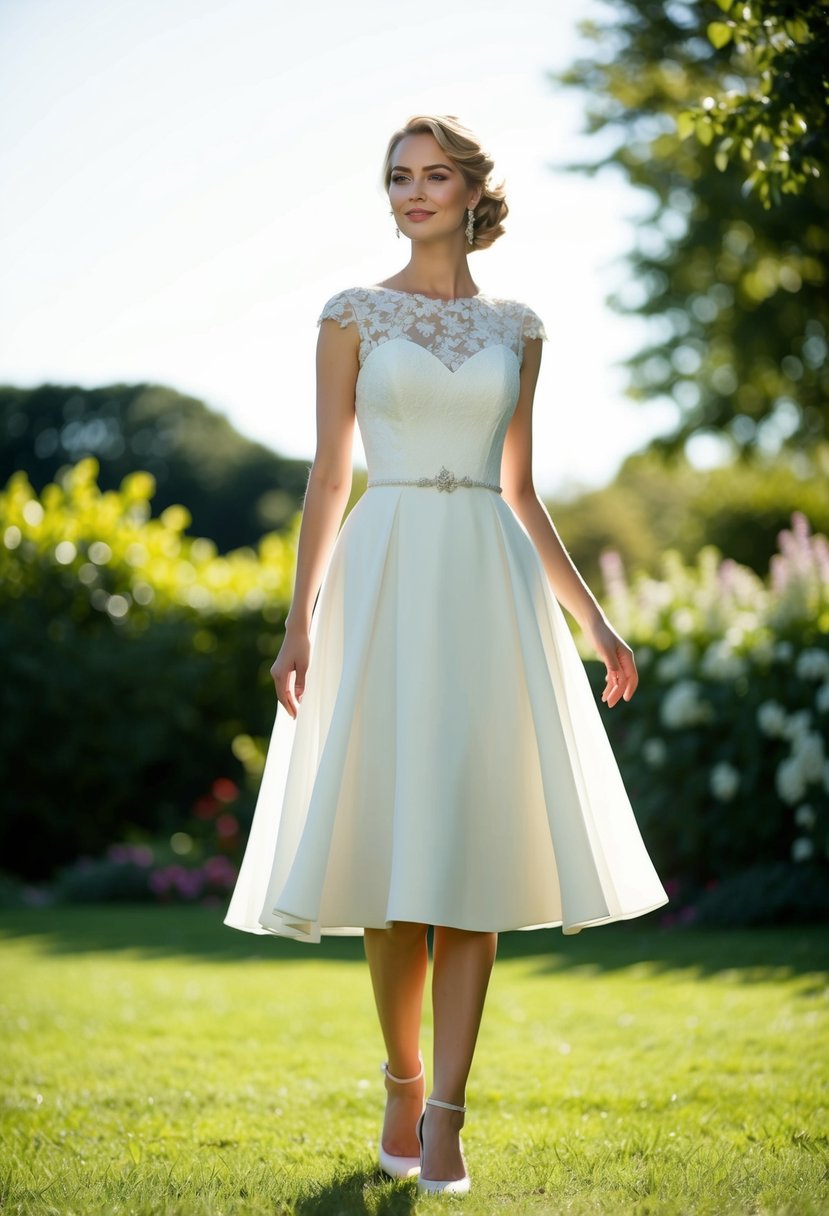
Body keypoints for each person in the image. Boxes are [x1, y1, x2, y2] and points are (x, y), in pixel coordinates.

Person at [225, 114, 668, 1195]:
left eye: (432, 176)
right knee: (393, 861)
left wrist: (594, 622)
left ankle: (450, 1119)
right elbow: (330, 477)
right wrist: (299, 621)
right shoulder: (350, 313)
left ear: (474, 191)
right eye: (396, 178)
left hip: (486, 586)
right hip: (382, 578)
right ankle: (401, 1079)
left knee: (471, 856)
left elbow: (520, 490)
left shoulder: (521, 328)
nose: (411, 193)